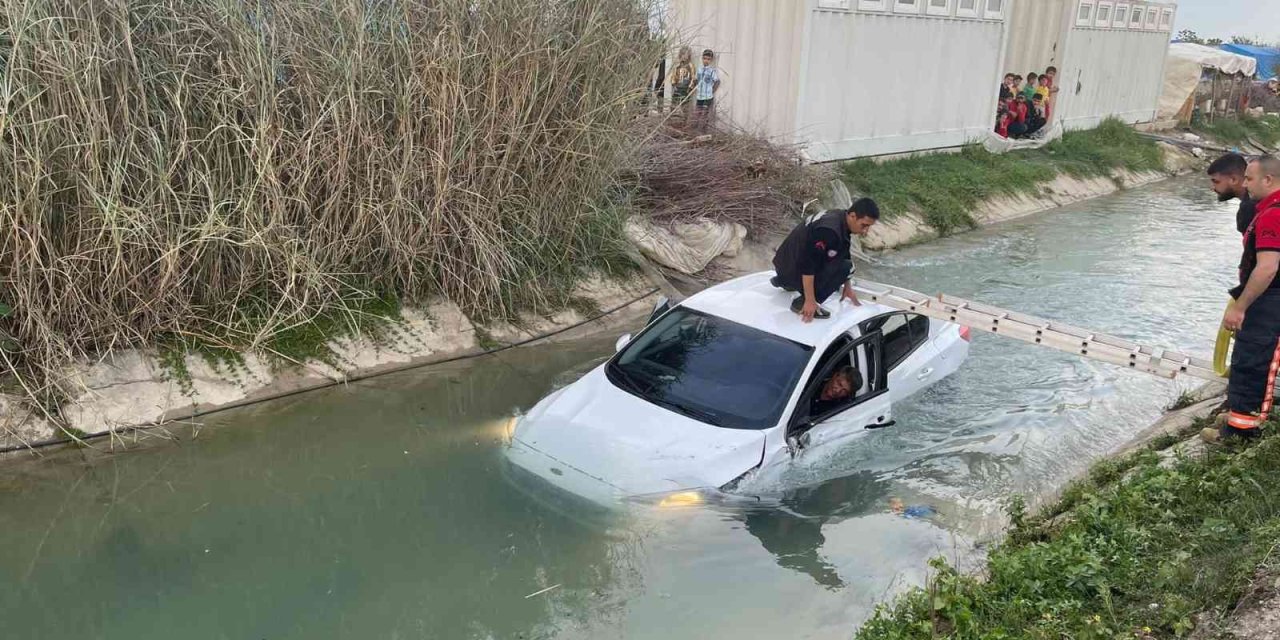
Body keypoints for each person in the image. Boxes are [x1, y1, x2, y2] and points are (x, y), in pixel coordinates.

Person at [1204, 155, 1280, 442]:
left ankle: (1240, 433)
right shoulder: (1266, 209)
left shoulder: (1272, 214)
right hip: (1270, 297)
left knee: (1252, 362)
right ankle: (1246, 418)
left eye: (1249, 178)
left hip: (1270, 299)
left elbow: (1267, 267)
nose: (1245, 185)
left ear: (1268, 180)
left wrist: (1240, 306)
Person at [771, 198, 880, 322]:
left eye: (868, 227)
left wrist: (847, 286)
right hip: (793, 269)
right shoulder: (829, 230)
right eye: (864, 225)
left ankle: (785, 282)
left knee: (837, 258)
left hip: (784, 265)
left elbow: (843, 252)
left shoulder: (838, 217)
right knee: (847, 267)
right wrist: (810, 300)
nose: (865, 231)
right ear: (853, 216)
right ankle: (801, 302)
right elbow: (808, 264)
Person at [1208, 153, 1257, 235]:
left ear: (1234, 179)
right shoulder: (1257, 200)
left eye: (1216, 181)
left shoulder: (1249, 208)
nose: (1212, 188)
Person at [693, 49, 721, 131]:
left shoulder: (712, 71)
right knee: (697, 112)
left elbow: (717, 81)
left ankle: (702, 130)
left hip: (707, 97)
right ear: (702, 58)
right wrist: (694, 83)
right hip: (699, 96)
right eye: (704, 58)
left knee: (704, 114)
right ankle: (695, 129)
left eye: (708, 59)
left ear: (711, 60)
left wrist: (712, 91)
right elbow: (696, 80)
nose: (706, 61)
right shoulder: (699, 69)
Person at [669, 46, 696, 122]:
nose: (684, 56)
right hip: (677, 88)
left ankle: (685, 121)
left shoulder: (690, 65)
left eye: (686, 54)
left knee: (685, 106)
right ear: (680, 55)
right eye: (683, 54)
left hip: (685, 89)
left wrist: (690, 88)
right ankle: (672, 119)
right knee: (674, 104)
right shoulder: (677, 66)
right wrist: (674, 85)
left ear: (689, 56)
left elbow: (693, 77)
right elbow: (674, 76)